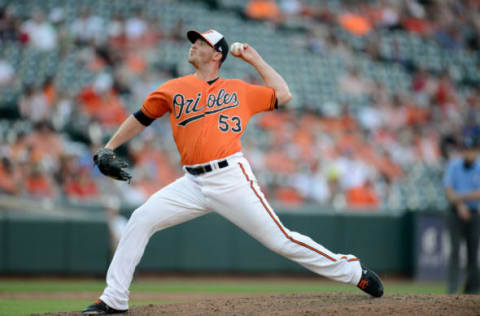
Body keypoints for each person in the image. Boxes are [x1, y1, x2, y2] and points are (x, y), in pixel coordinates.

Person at [83, 29, 384, 315]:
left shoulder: (239, 90)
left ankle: (352, 271)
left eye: (202, 42)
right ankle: (114, 299)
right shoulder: (172, 89)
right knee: (140, 219)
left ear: (217, 54)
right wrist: (108, 147)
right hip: (191, 182)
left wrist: (254, 59)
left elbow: (283, 94)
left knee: (282, 240)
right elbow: (141, 118)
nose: (194, 45)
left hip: (230, 178)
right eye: (195, 41)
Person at [444, 136, 480, 294]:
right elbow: (449, 192)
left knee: (473, 253)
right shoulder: (454, 166)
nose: (468, 153)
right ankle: (451, 290)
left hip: (474, 213)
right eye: (466, 150)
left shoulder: (478, 167)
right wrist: (461, 204)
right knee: (455, 252)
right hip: (455, 212)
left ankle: (471, 291)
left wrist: (460, 198)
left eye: (471, 150)